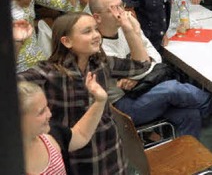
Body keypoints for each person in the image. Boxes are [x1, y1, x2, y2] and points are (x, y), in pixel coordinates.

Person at [19, 12, 151, 175]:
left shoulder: (101, 63)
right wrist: (17, 43)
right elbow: (8, 85)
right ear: (66, 41)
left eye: (96, 29)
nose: (96, 35)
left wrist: (130, 30)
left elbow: (142, 65)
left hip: (110, 150)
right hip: (76, 155)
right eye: (87, 31)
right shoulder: (48, 72)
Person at [89, 0, 212, 137]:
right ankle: (211, 104)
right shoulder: (97, 46)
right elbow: (144, 67)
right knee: (171, 88)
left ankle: (190, 158)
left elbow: (155, 57)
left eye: (121, 5)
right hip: (122, 106)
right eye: (113, 9)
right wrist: (132, 34)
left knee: (191, 114)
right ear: (97, 18)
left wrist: (135, 75)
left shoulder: (127, 26)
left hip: (143, 90)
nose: (121, 13)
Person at [19, 74, 106, 174]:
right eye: (41, 112)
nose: (49, 114)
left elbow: (81, 134)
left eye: (46, 106)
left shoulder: (51, 136)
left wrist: (100, 101)